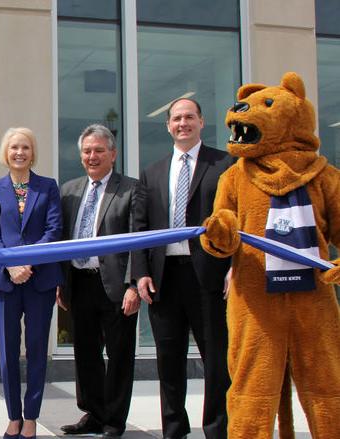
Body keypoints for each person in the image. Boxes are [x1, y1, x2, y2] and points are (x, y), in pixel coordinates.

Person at [132, 99, 233, 439]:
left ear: (202, 122)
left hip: (210, 276)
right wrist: (141, 272)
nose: (183, 123)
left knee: (217, 359)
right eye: (176, 118)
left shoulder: (224, 164)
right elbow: (141, 227)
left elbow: (240, 219)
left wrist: (236, 267)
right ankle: (174, 429)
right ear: (168, 126)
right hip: (165, 278)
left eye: (190, 117)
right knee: (168, 361)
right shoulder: (153, 172)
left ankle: (217, 429)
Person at [56, 124, 141, 439]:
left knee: (119, 354)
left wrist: (134, 285)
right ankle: (94, 413)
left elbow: (139, 240)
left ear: (113, 154)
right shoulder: (70, 190)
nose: (92, 156)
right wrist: (60, 282)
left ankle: (114, 420)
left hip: (117, 287)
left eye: (99, 151)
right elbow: (62, 239)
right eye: (87, 151)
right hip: (78, 283)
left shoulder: (131, 189)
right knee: (85, 353)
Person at [0, 127, 62, 439]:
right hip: (4, 281)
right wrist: (11, 264)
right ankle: (13, 416)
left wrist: (27, 262)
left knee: (38, 350)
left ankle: (31, 417)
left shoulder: (47, 187)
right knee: (8, 352)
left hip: (40, 279)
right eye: (14, 147)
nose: (20, 152)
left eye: (26, 147)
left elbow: (53, 229)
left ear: (33, 152)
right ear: (6, 152)